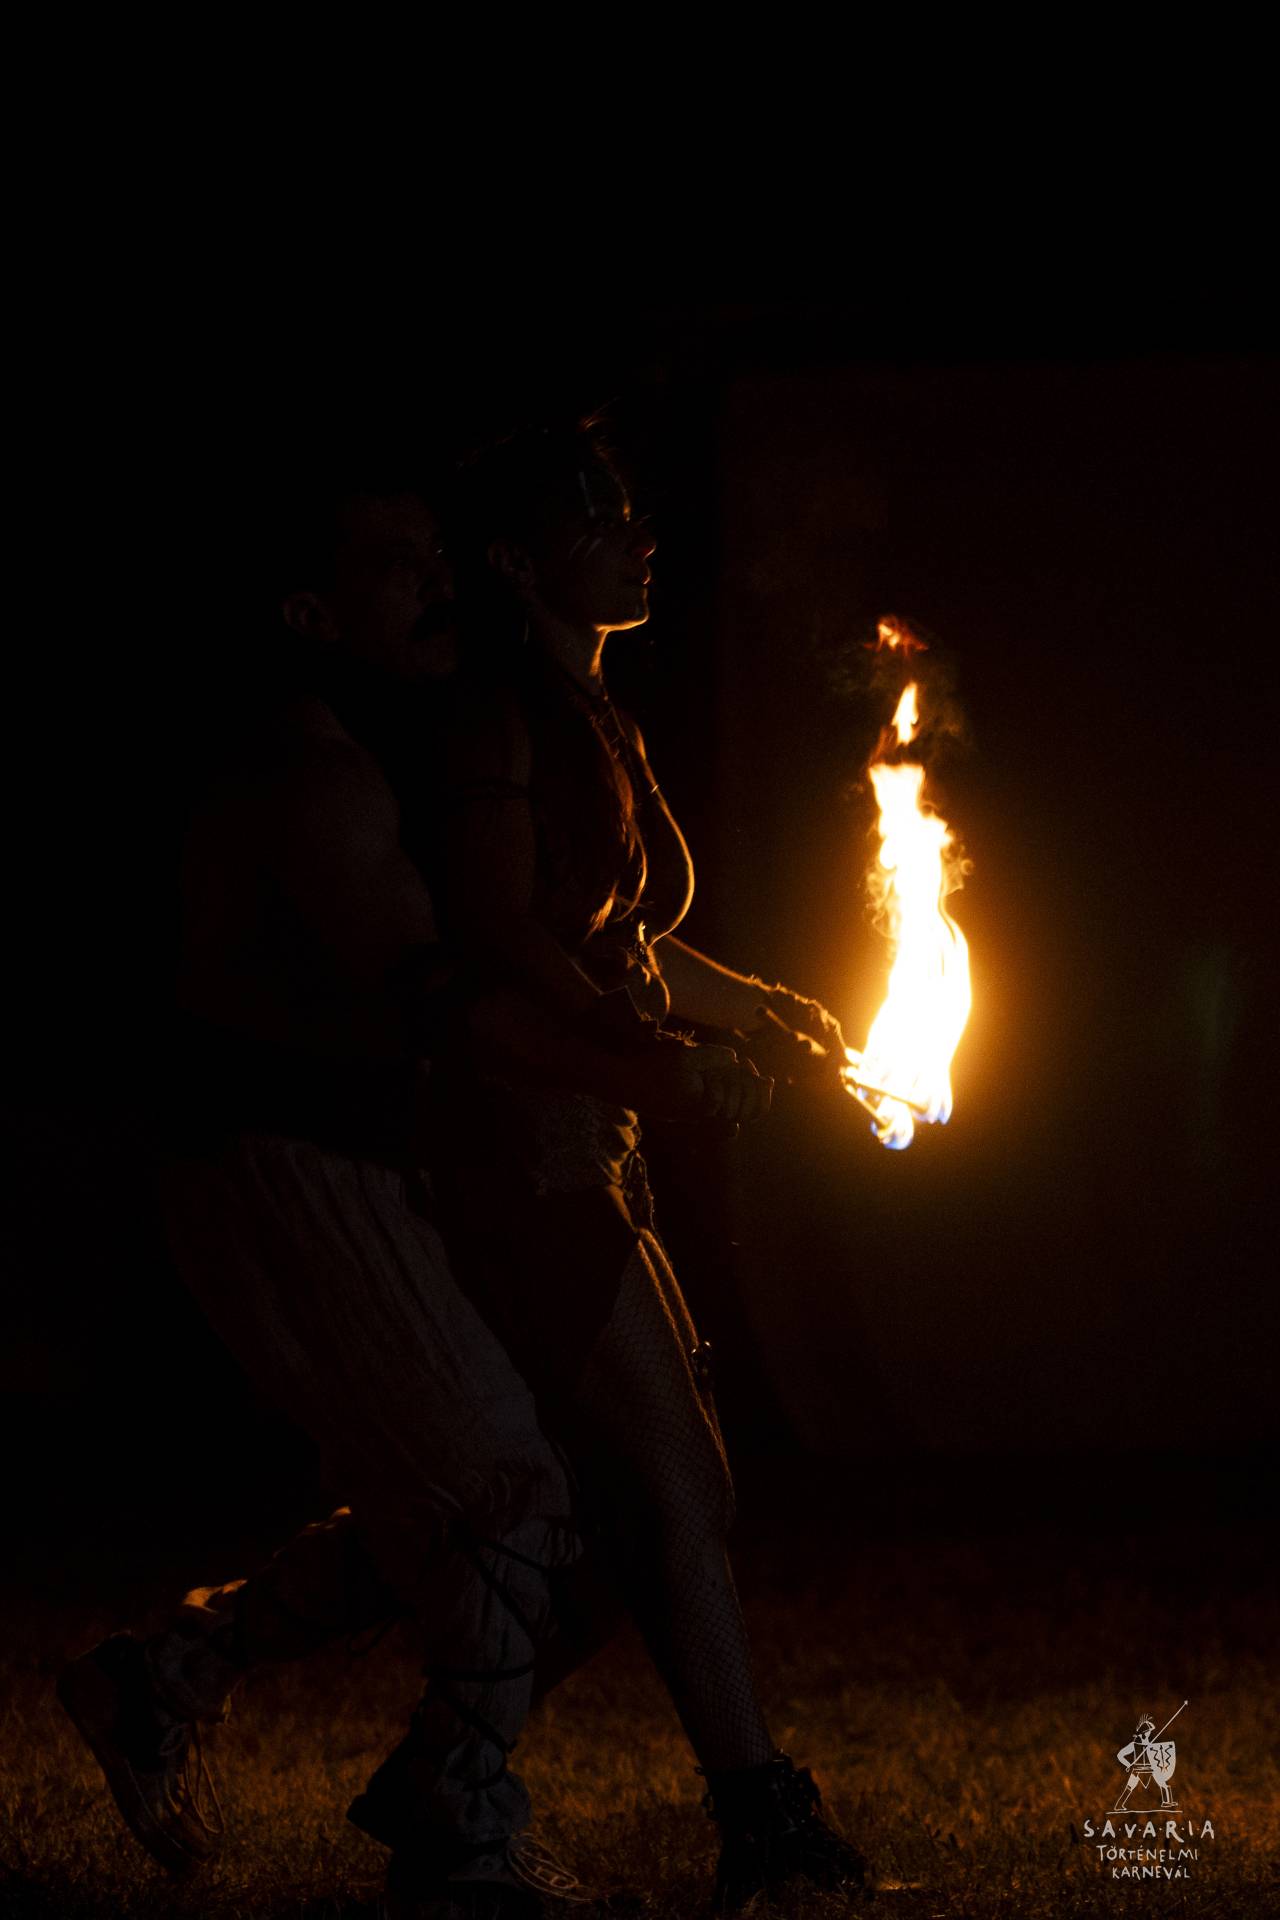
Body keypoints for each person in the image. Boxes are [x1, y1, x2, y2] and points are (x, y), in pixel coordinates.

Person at [57, 468, 753, 1920]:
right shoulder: (309, 771)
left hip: (356, 1163)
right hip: (284, 1172)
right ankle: (460, 1836)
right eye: (394, 564)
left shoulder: (386, 744)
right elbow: (450, 1003)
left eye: (435, 552)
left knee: (514, 1494)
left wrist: (710, 1028)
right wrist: (643, 1071)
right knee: (512, 1491)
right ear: (310, 613)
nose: (437, 583)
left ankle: (167, 1675)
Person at [418, 422, 870, 1914]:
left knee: (652, 1494)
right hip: (527, 1136)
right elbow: (500, 935)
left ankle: (421, 1760)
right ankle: (754, 1814)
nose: (640, 536)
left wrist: (758, 1009)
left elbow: (622, 941)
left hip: (595, 1128)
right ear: (514, 562)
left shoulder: (592, 712)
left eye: (631, 512)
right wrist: (643, 1046)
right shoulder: (499, 720)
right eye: (598, 520)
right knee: (664, 1481)